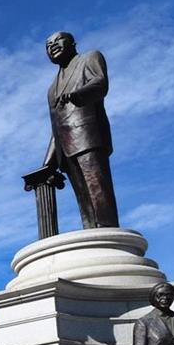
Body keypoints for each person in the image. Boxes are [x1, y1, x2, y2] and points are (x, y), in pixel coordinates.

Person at [41, 31, 119, 229]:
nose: (52, 46)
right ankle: (91, 232)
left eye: (57, 40)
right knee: (84, 200)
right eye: (48, 45)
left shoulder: (90, 58)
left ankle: (107, 232)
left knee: (99, 192)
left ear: (73, 42)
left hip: (88, 136)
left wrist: (77, 95)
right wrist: (48, 162)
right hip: (65, 149)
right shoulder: (52, 88)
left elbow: (100, 83)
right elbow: (56, 126)